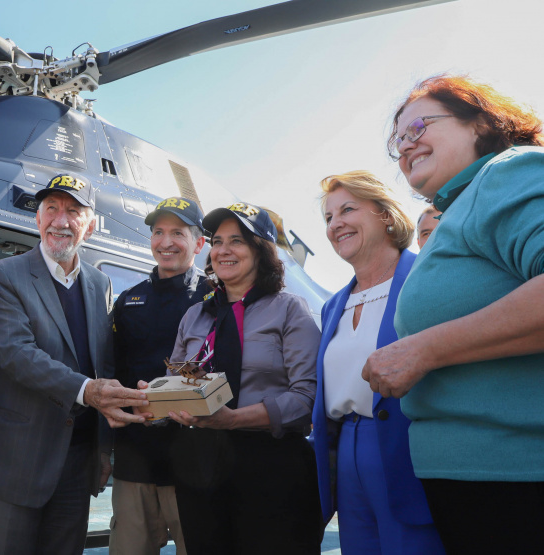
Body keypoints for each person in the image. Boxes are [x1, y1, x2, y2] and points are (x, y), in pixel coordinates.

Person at [362, 74, 544, 554]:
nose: (405, 146)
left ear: (481, 123)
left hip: (517, 481)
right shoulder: (461, 209)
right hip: (473, 485)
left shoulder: (510, 170)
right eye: (397, 140)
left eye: (418, 126)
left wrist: (423, 350)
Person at [0, 173, 150, 555]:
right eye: (51, 209)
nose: (60, 221)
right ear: (38, 218)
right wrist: (88, 392)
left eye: (73, 211)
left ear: (91, 224)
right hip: (13, 462)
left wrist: (102, 449)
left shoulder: (99, 285)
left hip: (76, 464)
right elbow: (16, 353)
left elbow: (101, 361)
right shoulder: (4, 274)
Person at [168, 202, 321, 555]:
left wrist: (234, 419)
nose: (223, 250)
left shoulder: (289, 309)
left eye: (236, 241)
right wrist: (163, 398)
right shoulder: (195, 316)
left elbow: (307, 397)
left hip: (271, 462)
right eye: (217, 241)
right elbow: (174, 378)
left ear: (260, 250)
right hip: (201, 462)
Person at [312, 171, 444, 554]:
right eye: (328, 217)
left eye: (347, 210)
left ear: (386, 215)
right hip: (347, 457)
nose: (336, 224)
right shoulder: (332, 305)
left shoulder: (426, 277)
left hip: (409, 451)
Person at [109, 197, 208, 555]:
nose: (166, 242)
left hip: (196, 463)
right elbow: (114, 372)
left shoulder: (215, 298)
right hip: (136, 461)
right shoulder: (129, 301)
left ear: (198, 243)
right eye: (158, 232)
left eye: (177, 233)